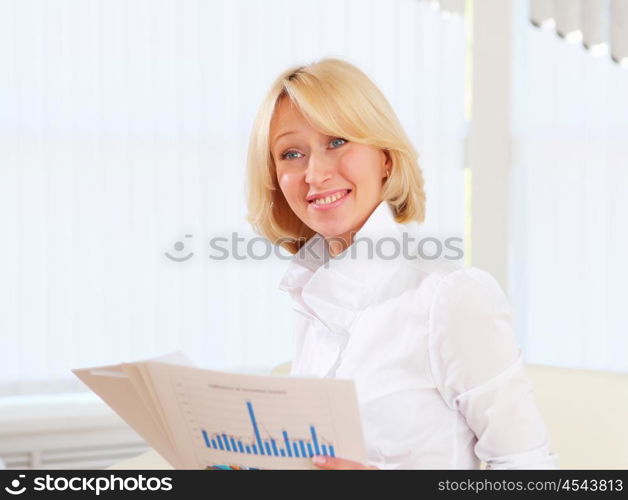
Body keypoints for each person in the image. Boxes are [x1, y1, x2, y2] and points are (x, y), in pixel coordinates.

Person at [245, 58, 559, 470]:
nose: (314, 173)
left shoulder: (451, 296)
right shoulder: (309, 295)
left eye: (337, 141)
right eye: (291, 153)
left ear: (386, 159)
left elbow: (532, 472)